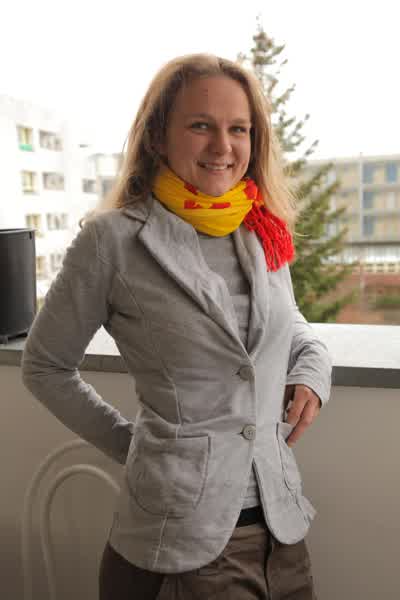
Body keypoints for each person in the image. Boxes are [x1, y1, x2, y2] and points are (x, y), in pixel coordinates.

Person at [22, 53, 332, 599]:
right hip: (181, 539)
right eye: (200, 126)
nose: (223, 146)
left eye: (239, 129)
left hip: (282, 528)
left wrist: (312, 372)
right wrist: (136, 447)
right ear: (158, 138)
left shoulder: (262, 230)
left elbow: (293, 327)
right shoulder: (112, 241)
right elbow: (45, 366)